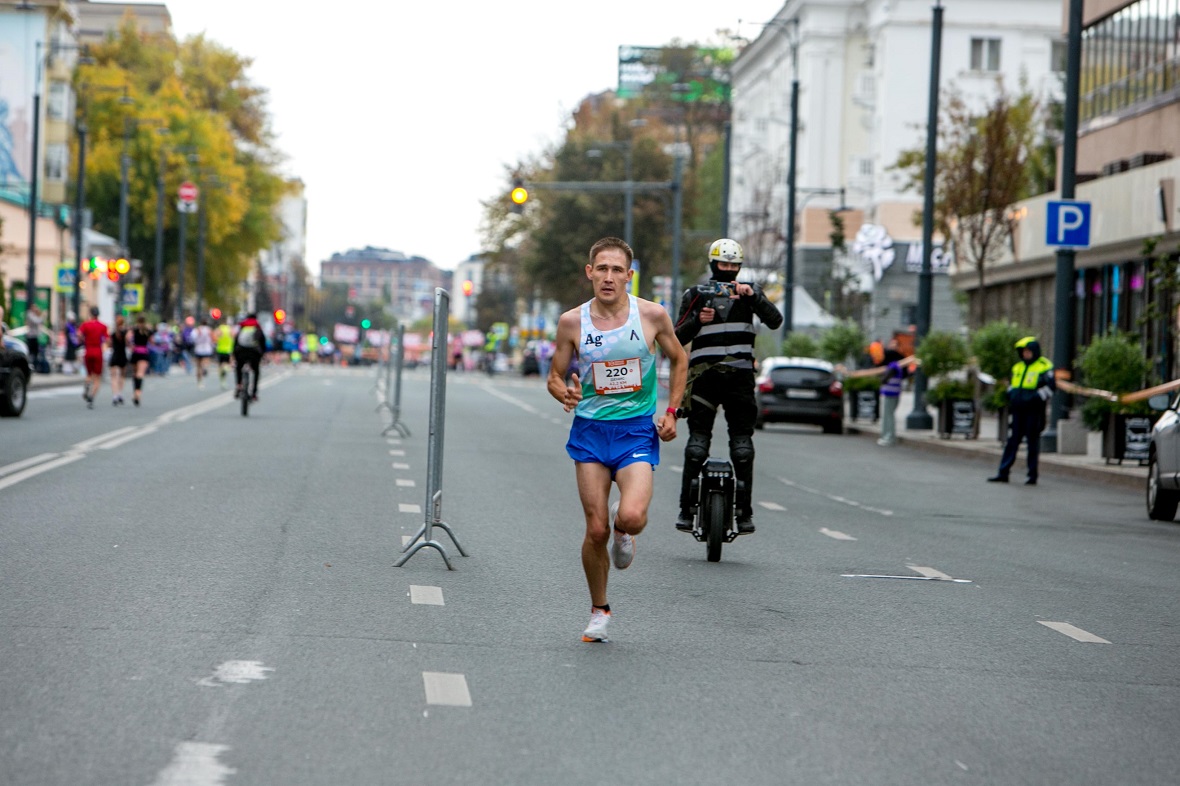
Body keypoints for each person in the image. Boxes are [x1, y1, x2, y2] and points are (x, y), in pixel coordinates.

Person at [548, 237, 687, 643]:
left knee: (630, 518)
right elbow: (555, 376)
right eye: (601, 269)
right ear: (590, 273)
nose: (609, 277)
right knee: (594, 530)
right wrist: (565, 394)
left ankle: (623, 529)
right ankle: (599, 609)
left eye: (617, 270)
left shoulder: (652, 315)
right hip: (590, 432)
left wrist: (673, 411)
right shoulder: (572, 322)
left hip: (636, 431)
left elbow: (679, 359)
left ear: (629, 275)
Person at [672, 238, 783, 535]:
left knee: (743, 448)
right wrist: (698, 320)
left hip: (740, 379)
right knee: (697, 446)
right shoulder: (695, 294)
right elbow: (676, 338)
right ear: (713, 264)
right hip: (704, 380)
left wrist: (754, 297)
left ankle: (744, 513)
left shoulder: (749, 294)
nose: (729, 271)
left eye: (734, 265)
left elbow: (775, 321)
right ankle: (686, 509)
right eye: (724, 264)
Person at [989, 336, 1055, 485]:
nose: (1025, 354)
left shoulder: (1044, 366)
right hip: (1018, 409)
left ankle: (1032, 475)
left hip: (1034, 410)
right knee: (1013, 441)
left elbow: (1051, 388)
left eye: (1028, 351)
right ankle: (1003, 472)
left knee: (1032, 442)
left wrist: (1035, 397)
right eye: (1023, 352)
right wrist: (1010, 394)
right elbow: (1013, 384)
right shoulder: (1018, 367)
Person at [877, 340, 907, 447]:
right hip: (893, 393)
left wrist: (881, 379)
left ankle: (889, 437)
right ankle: (887, 436)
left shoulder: (893, 365)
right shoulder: (896, 365)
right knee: (888, 415)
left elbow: (885, 379)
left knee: (888, 416)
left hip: (891, 394)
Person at [78, 307, 109, 409]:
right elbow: (106, 339)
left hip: (88, 350)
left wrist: (83, 340)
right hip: (98, 351)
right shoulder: (103, 326)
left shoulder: (85, 325)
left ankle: (87, 386)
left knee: (89, 374)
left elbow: (79, 334)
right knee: (97, 378)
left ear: (90, 314)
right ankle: (91, 396)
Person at [233, 312, 267, 401]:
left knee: (238, 367)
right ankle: (254, 393)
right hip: (254, 353)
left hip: (241, 351)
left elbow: (236, 341)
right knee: (256, 371)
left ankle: (239, 385)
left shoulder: (242, 326)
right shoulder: (257, 327)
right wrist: (263, 354)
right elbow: (263, 342)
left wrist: (234, 354)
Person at [129, 316, 153, 406]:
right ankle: (138, 393)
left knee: (135, 374)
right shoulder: (147, 330)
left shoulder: (134, 329)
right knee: (140, 374)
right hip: (144, 352)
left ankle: (135, 391)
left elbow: (128, 339)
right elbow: (152, 341)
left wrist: (131, 345)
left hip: (135, 353)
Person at [108, 315, 129, 405]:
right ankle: (120, 393)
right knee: (122, 376)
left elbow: (109, 344)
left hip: (114, 355)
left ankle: (114, 395)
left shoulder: (113, 333)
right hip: (122, 355)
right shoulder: (125, 332)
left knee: (113, 377)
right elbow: (128, 343)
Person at [192, 318, 215, 388]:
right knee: (206, 361)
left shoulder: (197, 330)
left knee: (198, 366)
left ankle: (199, 382)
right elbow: (213, 339)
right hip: (207, 349)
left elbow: (193, 338)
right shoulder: (209, 330)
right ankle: (205, 368)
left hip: (198, 349)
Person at [214, 318, 235, 388]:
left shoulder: (219, 329)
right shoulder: (230, 329)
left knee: (220, 365)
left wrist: (218, 341)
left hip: (220, 349)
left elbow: (215, 338)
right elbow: (234, 337)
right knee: (227, 364)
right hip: (228, 349)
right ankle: (224, 373)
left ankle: (222, 380)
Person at [24, 304, 44, 373]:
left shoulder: (34, 314)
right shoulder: (30, 314)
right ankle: (30, 366)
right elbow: (37, 321)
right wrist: (40, 315)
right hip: (31, 336)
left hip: (35, 336)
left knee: (35, 352)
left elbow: (41, 322)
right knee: (30, 352)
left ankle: (34, 366)